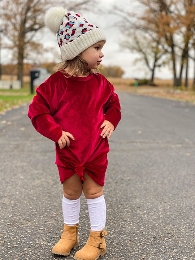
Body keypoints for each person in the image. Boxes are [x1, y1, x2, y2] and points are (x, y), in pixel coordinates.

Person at [28, 6, 121, 260]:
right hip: (68, 152)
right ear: (78, 51)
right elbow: (37, 112)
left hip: (95, 150)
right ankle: (70, 234)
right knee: (70, 193)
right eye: (97, 48)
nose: (102, 54)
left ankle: (97, 239)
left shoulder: (101, 83)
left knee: (93, 192)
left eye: (101, 48)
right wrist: (55, 131)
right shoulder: (55, 84)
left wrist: (111, 120)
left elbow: (114, 105)